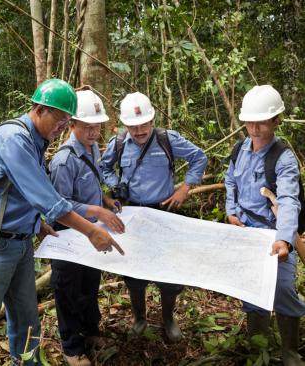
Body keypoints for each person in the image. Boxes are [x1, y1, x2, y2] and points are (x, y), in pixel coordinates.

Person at [0, 79, 124, 366]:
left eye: (66, 120)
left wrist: (36, 224)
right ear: (39, 109)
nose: (61, 126)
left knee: (27, 324)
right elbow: (49, 199)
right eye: (58, 118)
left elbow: (20, 193)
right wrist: (91, 230)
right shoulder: (14, 139)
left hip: (18, 246)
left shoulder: (36, 141)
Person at [100, 92, 207, 342]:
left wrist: (185, 187)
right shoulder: (117, 143)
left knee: (168, 271)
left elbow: (199, 157)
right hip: (132, 213)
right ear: (125, 125)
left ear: (152, 120)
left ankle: (168, 319)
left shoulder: (166, 139)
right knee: (134, 272)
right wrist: (116, 185)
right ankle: (139, 319)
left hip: (164, 213)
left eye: (143, 125)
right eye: (133, 127)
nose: (139, 131)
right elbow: (103, 168)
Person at [225, 85, 305, 365]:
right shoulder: (239, 149)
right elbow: (231, 181)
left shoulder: (282, 158)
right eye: (250, 121)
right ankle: (258, 342)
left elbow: (289, 199)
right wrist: (231, 211)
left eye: (262, 121)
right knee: (251, 285)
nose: (255, 128)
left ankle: (290, 350)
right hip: (247, 231)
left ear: (275, 121)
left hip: (274, 231)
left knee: (283, 288)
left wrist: (283, 239)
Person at [48, 89, 125, 366]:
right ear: (72, 125)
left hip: (92, 235)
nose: (94, 133)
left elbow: (90, 186)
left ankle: (91, 332)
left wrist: (105, 200)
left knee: (89, 286)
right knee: (68, 290)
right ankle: (72, 348)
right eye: (88, 127)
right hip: (69, 236)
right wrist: (96, 210)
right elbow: (59, 206)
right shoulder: (63, 161)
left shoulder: (92, 150)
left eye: (97, 127)